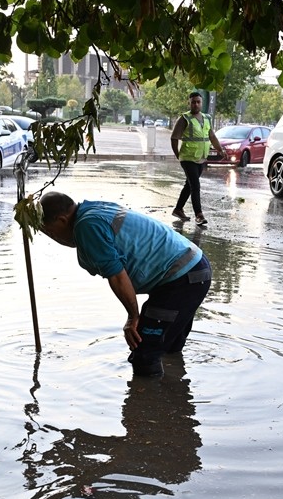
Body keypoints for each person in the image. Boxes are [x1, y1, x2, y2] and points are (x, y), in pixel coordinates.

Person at [39, 191, 212, 377]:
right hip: (194, 270)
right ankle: (174, 395)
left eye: (49, 231)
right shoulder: (93, 208)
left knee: (144, 354)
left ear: (62, 220)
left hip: (182, 278)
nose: (52, 237)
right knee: (168, 347)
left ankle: (147, 401)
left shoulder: (86, 226)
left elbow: (117, 276)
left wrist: (132, 318)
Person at [169, 91, 224, 227]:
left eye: (198, 102)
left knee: (189, 185)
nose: (196, 104)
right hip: (187, 158)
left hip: (200, 158)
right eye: (193, 102)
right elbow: (174, 138)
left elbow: (212, 136)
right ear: (189, 103)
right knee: (195, 186)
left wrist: (220, 150)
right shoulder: (184, 119)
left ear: (201, 103)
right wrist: (178, 155)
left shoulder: (206, 118)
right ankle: (199, 215)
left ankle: (178, 209)